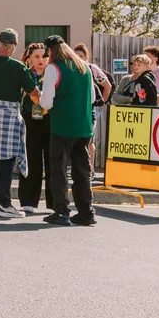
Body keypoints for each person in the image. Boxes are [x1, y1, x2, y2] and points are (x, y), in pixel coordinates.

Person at [0, 29, 37, 218]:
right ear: (14, 46)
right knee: (8, 159)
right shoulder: (18, 68)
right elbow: (33, 92)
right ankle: (5, 202)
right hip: (9, 115)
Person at [40, 36, 96, 226]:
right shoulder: (84, 67)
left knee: (59, 170)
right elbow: (92, 97)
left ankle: (62, 211)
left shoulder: (53, 68)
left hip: (62, 126)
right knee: (82, 171)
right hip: (84, 126)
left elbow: (46, 102)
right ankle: (86, 211)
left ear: (49, 51)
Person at [17, 42, 53, 215]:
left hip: (50, 120)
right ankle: (28, 201)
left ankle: (54, 202)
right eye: (37, 56)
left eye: (44, 56)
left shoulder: (53, 73)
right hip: (30, 120)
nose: (41, 60)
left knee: (53, 161)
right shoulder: (24, 74)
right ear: (29, 58)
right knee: (31, 160)